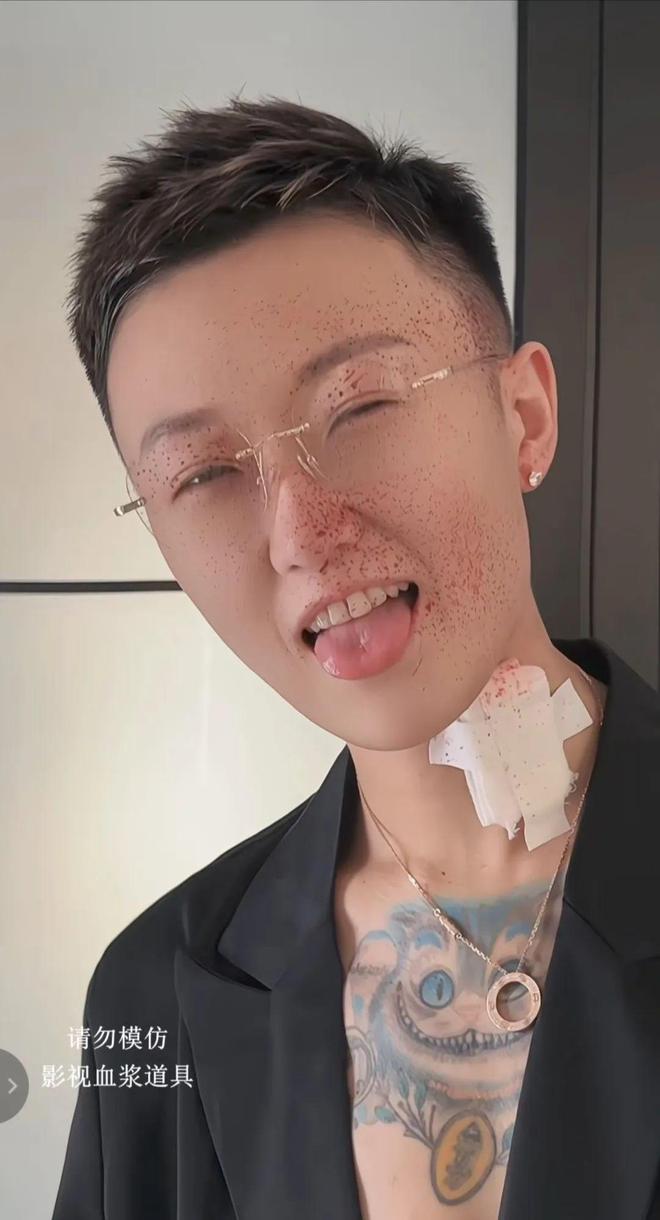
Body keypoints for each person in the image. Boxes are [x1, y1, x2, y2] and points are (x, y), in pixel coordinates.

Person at [52, 97, 660, 1220]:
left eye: (362, 407)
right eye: (204, 476)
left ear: (524, 415)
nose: (300, 536)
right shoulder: (154, 995)